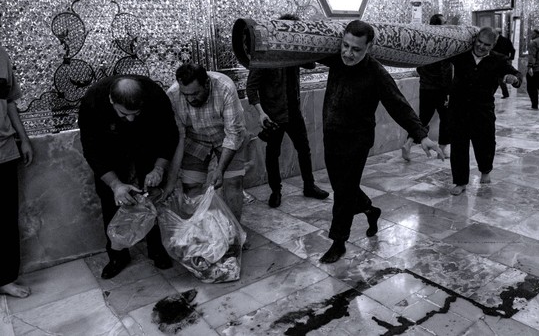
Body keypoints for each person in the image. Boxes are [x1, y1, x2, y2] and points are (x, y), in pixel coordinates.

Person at [319, 20, 444, 264]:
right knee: (342, 187)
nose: (348, 53)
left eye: (356, 49)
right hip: (331, 135)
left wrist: (421, 136)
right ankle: (370, 209)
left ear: (369, 47)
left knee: (344, 193)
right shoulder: (336, 59)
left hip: (357, 141)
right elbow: (300, 54)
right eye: (345, 46)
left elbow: (399, 105)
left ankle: (338, 242)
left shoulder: (376, 73)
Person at [78, 75, 178, 279]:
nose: (131, 119)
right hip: (110, 152)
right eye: (124, 114)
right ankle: (117, 255)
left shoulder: (155, 95)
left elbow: (169, 134)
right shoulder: (92, 102)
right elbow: (92, 150)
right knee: (111, 200)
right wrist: (115, 184)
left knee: (151, 197)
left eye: (136, 113)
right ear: (111, 101)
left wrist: (159, 168)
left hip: (146, 146)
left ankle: (157, 249)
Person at [246, 14, 330, 208]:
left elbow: (311, 64)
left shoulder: (294, 53)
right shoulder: (265, 53)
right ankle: (276, 191)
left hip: (294, 112)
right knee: (272, 153)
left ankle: (309, 186)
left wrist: (303, 47)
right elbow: (251, 88)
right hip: (273, 115)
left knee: (304, 149)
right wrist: (261, 113)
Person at [165, 63, 247, 220]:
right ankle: (200, 233)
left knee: (233, 183)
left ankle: (235, 235)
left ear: (207, 84)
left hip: (226, 137)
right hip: (194, 140)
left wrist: (220, 170)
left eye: (195, 94)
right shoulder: (173, 95)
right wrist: (171, 180)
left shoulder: (224, 87)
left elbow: (233, 134)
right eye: (186, 95)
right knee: (191, 185)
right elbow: (180, 138)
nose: (190, 99)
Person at [448, 27, 522, 196]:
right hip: (458, 109)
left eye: (486, 45)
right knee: (459, 145)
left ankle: (485, 170)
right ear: (475, 40)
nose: (481, 47)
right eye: (479, 42)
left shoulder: (499, 61)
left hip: (483, 110)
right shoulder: (460, 55)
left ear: (493, 45)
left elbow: (517, 75)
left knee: (485, 143)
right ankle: (460, 182)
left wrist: (515, 80)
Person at [0, 46, 32, 298]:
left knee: (6, 220)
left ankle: (5, 278)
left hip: (4, 150)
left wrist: (23, 138)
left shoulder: (1, 54)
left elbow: (8, 100)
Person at [401, 13, 452, 160]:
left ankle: (409, 143)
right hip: (440, 89)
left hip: (425, 88)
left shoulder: (424, 43)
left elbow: (418, 67)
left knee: (423, 119)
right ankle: (442, 149)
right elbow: (445, 70)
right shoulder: (444, 44)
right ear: (441, 26)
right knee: (446, 118)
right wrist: (448, 91)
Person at [492, 27, 516, 99]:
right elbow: (512, 50)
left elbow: (512, 50)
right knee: (499, 77)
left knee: (499, 77)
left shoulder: (497, 40)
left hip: (500, 61)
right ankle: (504, 93)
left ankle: (501, 93)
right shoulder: (506, 40)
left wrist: (510, 58)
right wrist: (511, 58)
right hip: (500, 60)